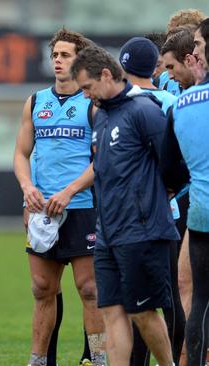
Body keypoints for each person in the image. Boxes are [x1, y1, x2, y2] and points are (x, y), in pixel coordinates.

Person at [71, 45, 179, 366]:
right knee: (111, 310)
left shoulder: (144, 110)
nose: (87, 96)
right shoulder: (102, 115)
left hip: (142, 232)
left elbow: (173, 164)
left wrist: (159, 197)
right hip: (107, 233)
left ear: (106, 74)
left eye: (88, 87)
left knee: (142, 311)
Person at [13, 28, 106, 366]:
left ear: (80, 59)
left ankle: (98, 358)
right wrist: (27, 189)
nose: (58, 61)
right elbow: (21, 154)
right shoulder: (36, 101)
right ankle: (38, 360)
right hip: (42, 210)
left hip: (81, 207)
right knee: (41, 288)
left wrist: (69, 191)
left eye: (65, 55)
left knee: (89, 289)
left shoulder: (92, 102)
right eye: (55, 55)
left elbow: (102, 160)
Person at [118, 36, 185, 366]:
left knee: (133, 300)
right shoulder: (171, 101)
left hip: (125, 216)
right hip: (164, 214)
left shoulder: (116, 104)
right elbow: (178, 159)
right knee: (168, 297)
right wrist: (168, 188)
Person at [170, 17, 209, 366]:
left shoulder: (184, 102)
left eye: (198, 44)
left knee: (199, 299)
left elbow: (171, 162)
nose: (194, 50)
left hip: (201, 213)